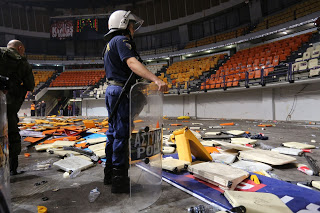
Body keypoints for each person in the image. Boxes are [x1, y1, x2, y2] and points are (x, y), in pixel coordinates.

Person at [103, 10, 168, 193]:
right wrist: (156, 79)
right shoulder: (121, 41)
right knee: (122, 136)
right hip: (121, 92)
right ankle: (120, 181)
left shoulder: (108, 45)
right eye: (131, 24)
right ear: (123, 24)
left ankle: (110, 174)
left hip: (113, 90)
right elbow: (132, 63)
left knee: (113, 134)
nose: (133, 28)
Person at [1, 40, 35, 175]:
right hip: (8, 107)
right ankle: (12, 169)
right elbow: (30, 85)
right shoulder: (22, 62)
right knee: (12, 136)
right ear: (20, 48)